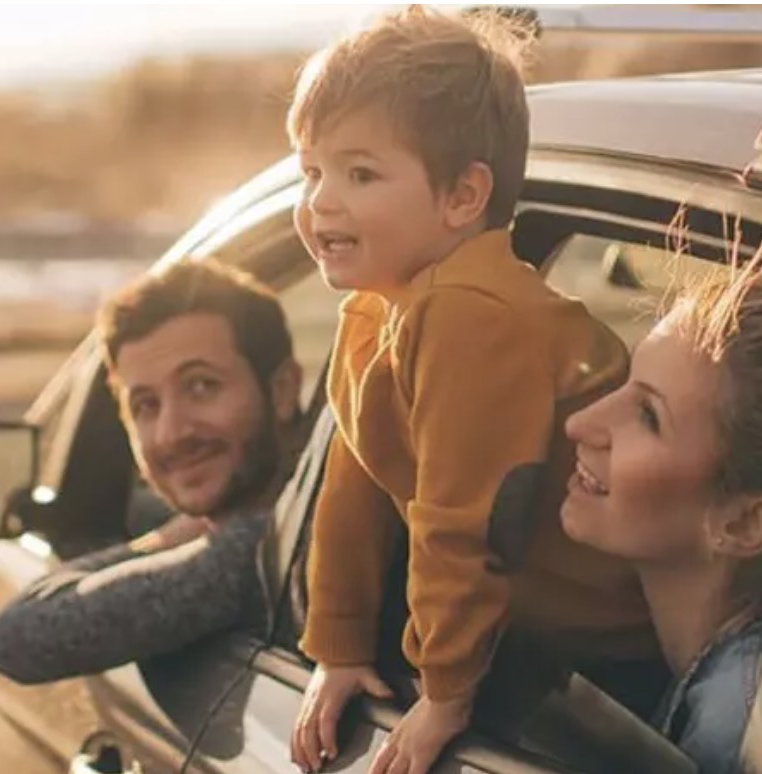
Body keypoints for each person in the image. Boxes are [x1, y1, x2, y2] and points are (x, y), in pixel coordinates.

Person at [289, 7, 657, 774]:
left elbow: (462, 521)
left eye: (360, 173)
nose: (321, 201)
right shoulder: (377, 308)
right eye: (311, 170)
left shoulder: (468, 318)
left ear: (462, 197)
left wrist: (445, 695)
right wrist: (338, 645)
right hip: (546, 641)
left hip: (622, 649)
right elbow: (352, 483)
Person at [0, 258, 303, 683]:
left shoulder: (272, 548)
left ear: (282, 390)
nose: (171, 433)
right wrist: (187, 530)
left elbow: (20, 638)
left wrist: (175, 536)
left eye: (201, 385)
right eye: (145, 405)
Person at [562, 259, 762, 773]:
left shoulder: (732, 729)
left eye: (648, 416)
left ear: (744, 523)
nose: (580, 423)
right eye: (628, 382)